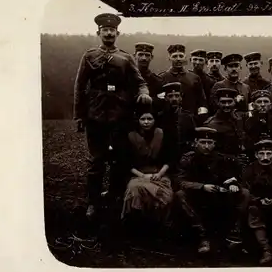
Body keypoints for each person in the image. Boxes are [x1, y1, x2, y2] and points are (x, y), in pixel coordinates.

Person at [73, 13, 152, 218]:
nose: (109, 33)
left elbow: (139, 81)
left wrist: (144, 93)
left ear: (118, 33)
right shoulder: (89, 56)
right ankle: (93, 201)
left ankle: (116, 197)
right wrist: (79, 116)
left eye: (112, 30)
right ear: (98, 32)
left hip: (120, 116)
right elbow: (80, 86)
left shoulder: (126, 58)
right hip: (96, 115)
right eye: (105, 30)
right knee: (96, 161)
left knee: (119, 160)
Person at [174, 127, 250, 253]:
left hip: (218, 196)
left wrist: (233, 183)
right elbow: (181, 181)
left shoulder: (221, 158)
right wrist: (202, 187)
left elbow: (230, 175)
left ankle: (234, 234)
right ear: (196, 142)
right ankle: (203, 236)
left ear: (214, 144)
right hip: (197, 196)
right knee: (180, 195)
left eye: (210, 143)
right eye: (203, 142)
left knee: (244, 193)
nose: (206, 146)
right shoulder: (188, 159)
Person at [121, 104, 173, 240]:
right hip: (137, 175)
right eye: (142, 119)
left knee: (163, 196)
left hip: (159, 174)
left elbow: (170, 159)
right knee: (135, 190)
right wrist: (142, 175)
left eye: (149, 119)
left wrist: (159, 174)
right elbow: (126, 163)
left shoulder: (162, 134)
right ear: (137, 120)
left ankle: (158, 229)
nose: (146, 122)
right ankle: (136, 229)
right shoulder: (130, 136)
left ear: (154, 120)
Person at [158, 44, 209, 117]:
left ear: (185, 58)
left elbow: (202, 101)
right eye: (175, 56)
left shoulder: (194, 78)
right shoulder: (162, 77)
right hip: (168, 119)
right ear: (169, 58)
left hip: (191, 118)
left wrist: (200, 118)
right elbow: (159, 101)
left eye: (181, 56)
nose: (178, 59)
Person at [155, 82, 196, 171]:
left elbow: (193, 138)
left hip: (184, 157)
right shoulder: (160, 117)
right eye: (170, 96)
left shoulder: (188, 117)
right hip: (166, 159)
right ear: (165, 98)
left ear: (181, 98)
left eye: (177, 96)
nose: (174, 99)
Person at [204, 88, 247, 159]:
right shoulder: (211, 124)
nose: (227, 105)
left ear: (234, 102)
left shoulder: (240, 118)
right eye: (223, 102)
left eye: (229, 101)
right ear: (218, 103)